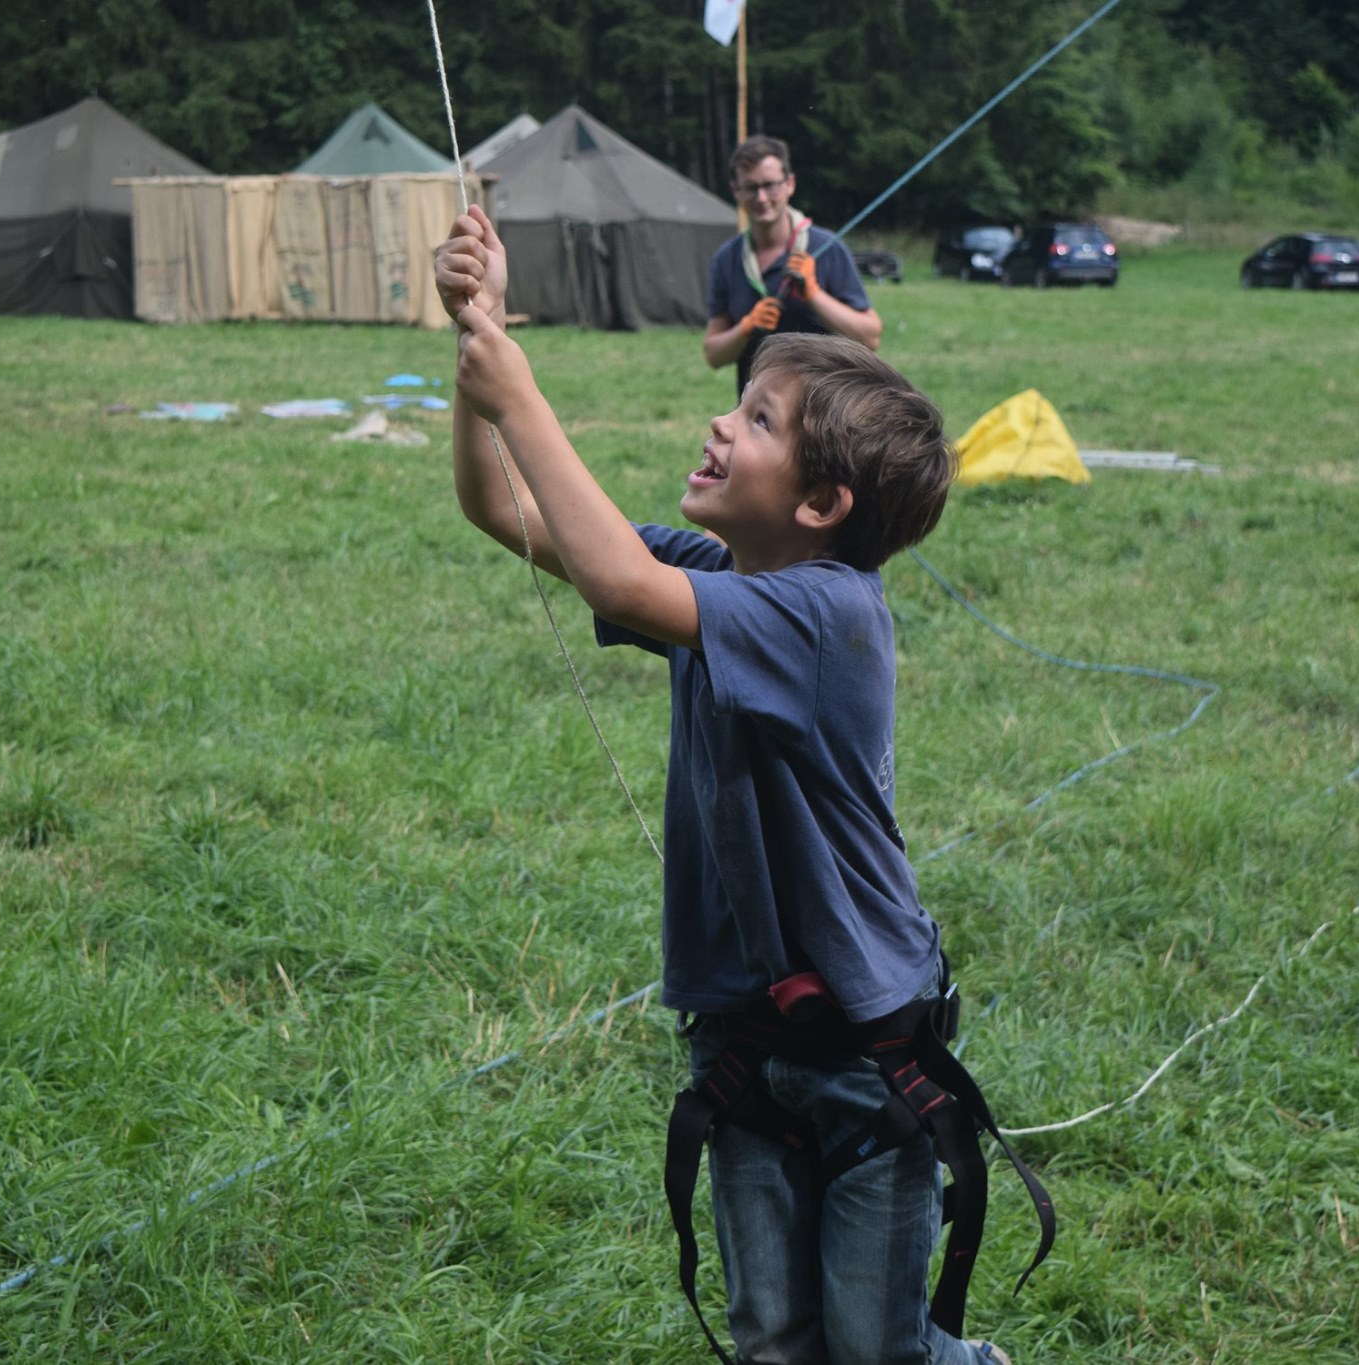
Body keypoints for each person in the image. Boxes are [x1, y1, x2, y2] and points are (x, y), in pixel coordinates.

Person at [436, 205, 1031, 1365]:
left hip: (867, 1059)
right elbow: (501, 510)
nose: (719, 419)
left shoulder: (823, 613)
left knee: (877, 1352)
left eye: (756, 419)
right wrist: (479, 341)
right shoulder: (722, 568)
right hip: (745, 1044)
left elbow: (609, 572)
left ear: (820, 507)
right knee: (769, 1339)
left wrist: (520, 389)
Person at [705, 135, 883, 397]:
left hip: (823, 408)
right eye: (751, 187)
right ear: (736, 191)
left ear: (790, 184)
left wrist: (814, 295)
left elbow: (870, 338)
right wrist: (746, 327)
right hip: (760, 415)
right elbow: (713, 354)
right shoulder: (727, 259)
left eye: (770, 185)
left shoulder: (826, 248)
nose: (762, 197)